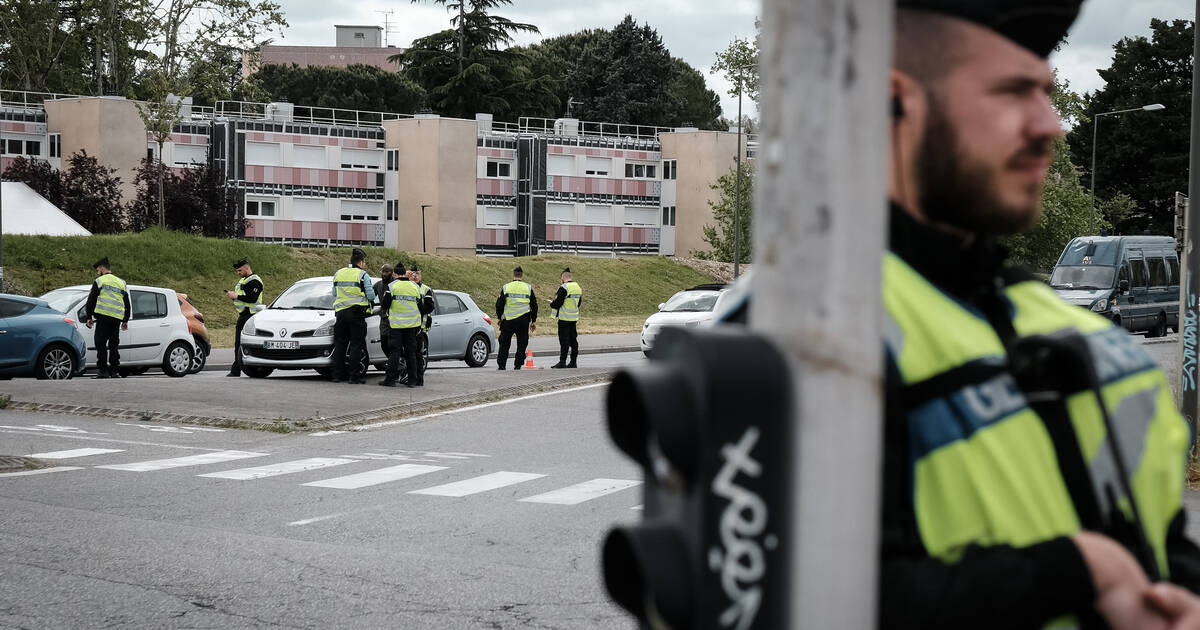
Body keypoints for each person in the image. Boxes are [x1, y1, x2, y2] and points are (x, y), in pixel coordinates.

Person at [880, 2, 1200, 628]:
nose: (1050, 125)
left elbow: (1161, 543)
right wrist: (1082, 569)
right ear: (900, 104)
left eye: (1046, 92)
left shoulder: (1074, 332)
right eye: (1012, 91)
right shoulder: (815, 336)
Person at [379, 266, 432, 387]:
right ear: (405, 273)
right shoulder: (415, 287)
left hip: (396, 325)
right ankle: (412, 381)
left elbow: (385, 304)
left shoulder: (392, 286)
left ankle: (390, 380)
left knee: (394, 352)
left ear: (396, 274)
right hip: (412, 326)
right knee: (411, 353)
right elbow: (421, 306)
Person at [330, 248, 375, 384]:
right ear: (360, 262)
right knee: (356, 345)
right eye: (364, 262)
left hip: (341, 314)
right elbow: (371, 295)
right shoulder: (362, 275)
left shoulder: (339, 273)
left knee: (340, 344)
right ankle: (354, 377)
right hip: (356, 314)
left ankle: (337, 375)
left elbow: (334, 293)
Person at [83, 257, 130, 379]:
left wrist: (89, 316)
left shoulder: (100, 281)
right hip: (116, 319)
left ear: (102, 268)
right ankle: (115, 371)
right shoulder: (121, 282)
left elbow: (91, 300)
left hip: (103, 318)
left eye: (98, 269)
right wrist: (125, 319)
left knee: (100, 344)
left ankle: (103, 371)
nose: (97, 271)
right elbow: (127, 303)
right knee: (114, 345)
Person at [225, 258, 263, 378]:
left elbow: (252, 298)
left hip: (251, 316)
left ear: (247, 268)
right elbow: (243, 296)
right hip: (244, 315)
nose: (238, 273)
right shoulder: (243, 280)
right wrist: (234, 296)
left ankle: (238, 369)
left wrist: (236, 296)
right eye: (237, 271)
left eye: (240, 270)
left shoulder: (255, 281)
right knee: (238, 343)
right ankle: (236, 368)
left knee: (245, 343)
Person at [495, 266, 537, 370]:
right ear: (521, 275)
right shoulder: (528, 288)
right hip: (523, 320)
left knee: (504, 343)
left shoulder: (506, 287)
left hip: (508, 320)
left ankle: (502, 365)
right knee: (522, 343)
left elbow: (499, 305)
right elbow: (534, 305)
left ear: (514, 274)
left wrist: (500, 317)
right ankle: (518, 365)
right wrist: (533, 320)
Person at [549, 267, 582, 368]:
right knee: (573, 341)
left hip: (564, 319)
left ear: (563, 277)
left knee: (564, 341)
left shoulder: (564, 287)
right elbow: (579, 303)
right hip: (573, 318)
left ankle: (562, 361)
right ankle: (573, 361)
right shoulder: (578, 287)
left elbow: (558, 303)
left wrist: (552, 304)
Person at [373, 264, 396, 359]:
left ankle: (396, 362)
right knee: (384, 344)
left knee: (395, 345)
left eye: (387, 272)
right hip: (384, 319)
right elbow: (370, 296)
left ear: (392, 273)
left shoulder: (396, 284)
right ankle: (392, 360)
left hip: (395, 318)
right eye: (383, 271)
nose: (384, 274)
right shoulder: (378, 285)